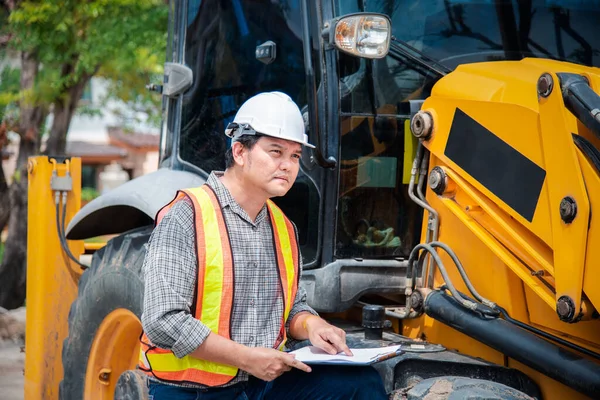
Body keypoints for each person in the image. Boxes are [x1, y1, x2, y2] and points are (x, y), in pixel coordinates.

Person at [139, 91, 388, 399]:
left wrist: (313, 325)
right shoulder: (186, 216)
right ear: (240, 152)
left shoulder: (283, 227)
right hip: (194, 390)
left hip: (260, 383)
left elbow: (292, 307)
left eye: (295, 156)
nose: (288, 165)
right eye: (275, 152)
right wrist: (247, 358)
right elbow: (163, 320)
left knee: (361, 384)